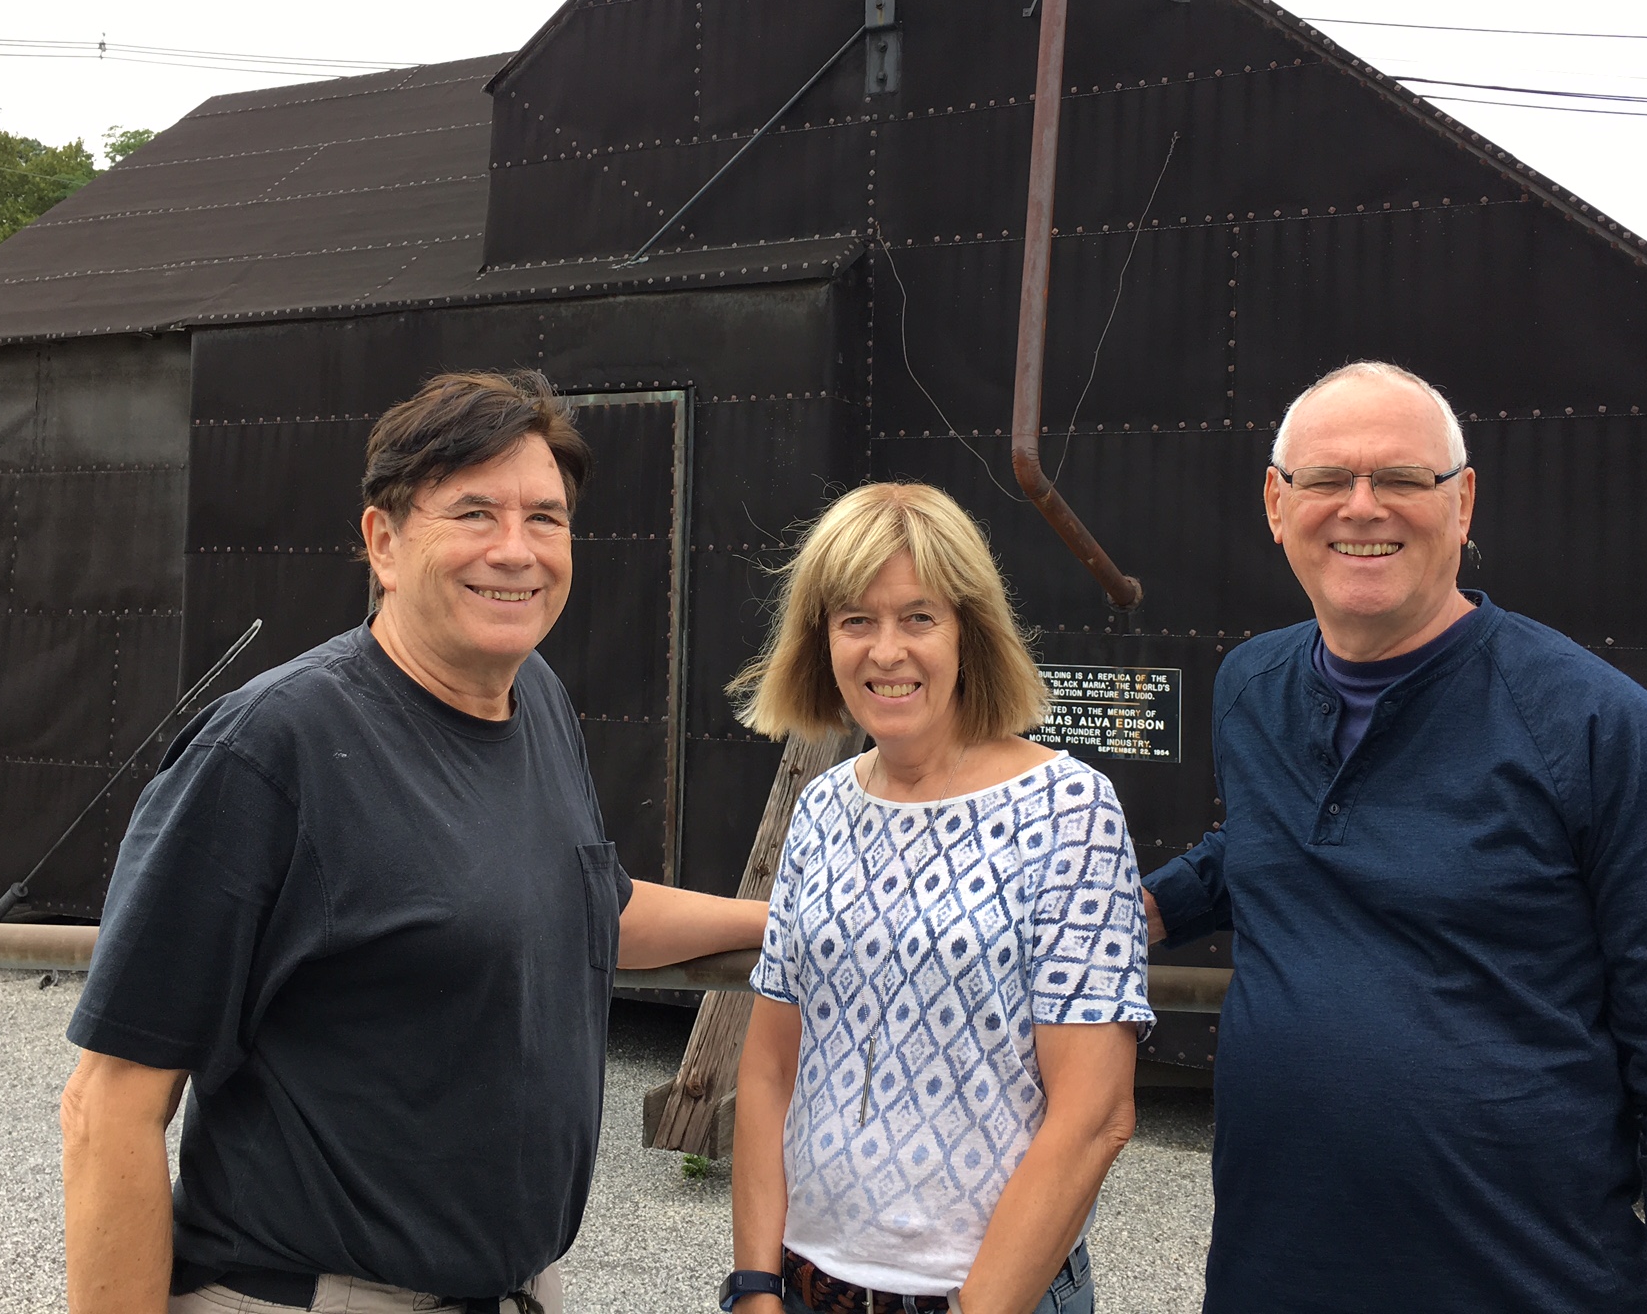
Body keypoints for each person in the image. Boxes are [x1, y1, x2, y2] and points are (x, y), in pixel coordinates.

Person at [61, 370, 769, 1314]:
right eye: (474, 512)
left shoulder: (538, 701)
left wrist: (785, 919)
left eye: (546, 518)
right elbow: (108, 1106)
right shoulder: (270, 750)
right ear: (384, 542)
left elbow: (591, 903)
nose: (517, 551)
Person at [1140, 360, 1647, 1314]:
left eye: (1400, 479)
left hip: (1526, 1282)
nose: (1361, 507)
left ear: (1462, 502)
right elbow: (1265, 844)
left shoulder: (1601, 729)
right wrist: (1135, 908)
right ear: (1277, 502)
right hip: (1272, 1275)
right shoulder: (1250, 689)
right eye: (1326, 480)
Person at [726, 483, 1153, 1314]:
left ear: (970, 631)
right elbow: (774, 1066)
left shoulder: (1068, 809)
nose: (887, 651)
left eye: (919, 617)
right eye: (856, 620)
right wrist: (752, 1287)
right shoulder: (822, 808)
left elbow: (1095, 1114)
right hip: (809, 1286)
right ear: (822, 641)